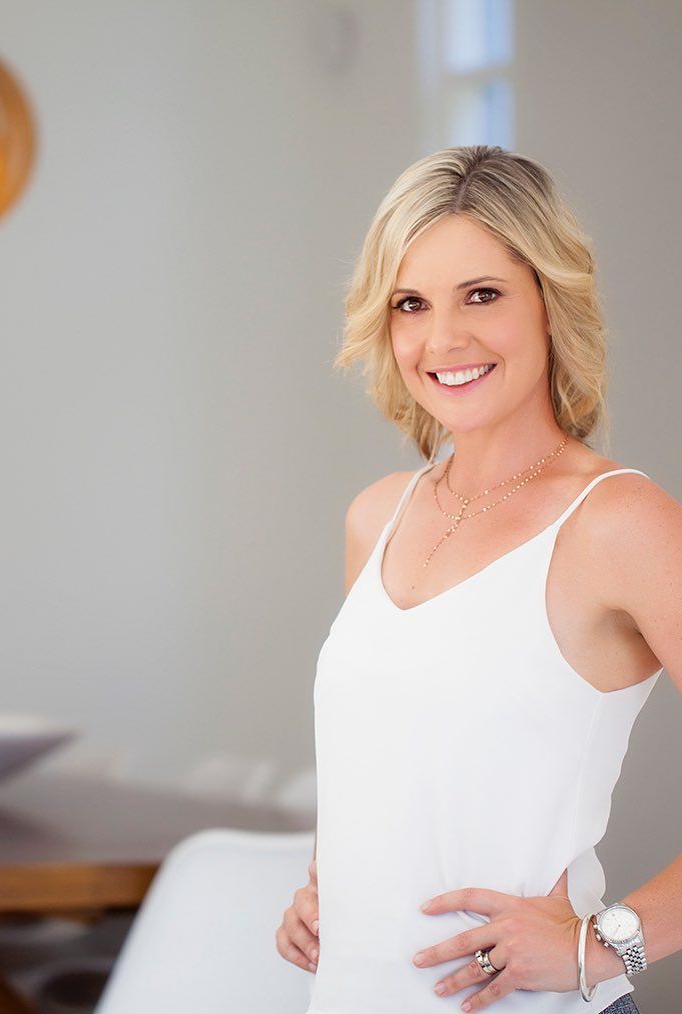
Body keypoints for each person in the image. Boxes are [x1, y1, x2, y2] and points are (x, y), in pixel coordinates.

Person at [274, 146, 682, 1013]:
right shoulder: (376, 516)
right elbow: (388, 756)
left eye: (482, 295)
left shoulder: (619, 522)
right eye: (410, 304)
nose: (443, 340)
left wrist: (601, 945)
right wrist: (322, 885)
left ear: (548, 300)